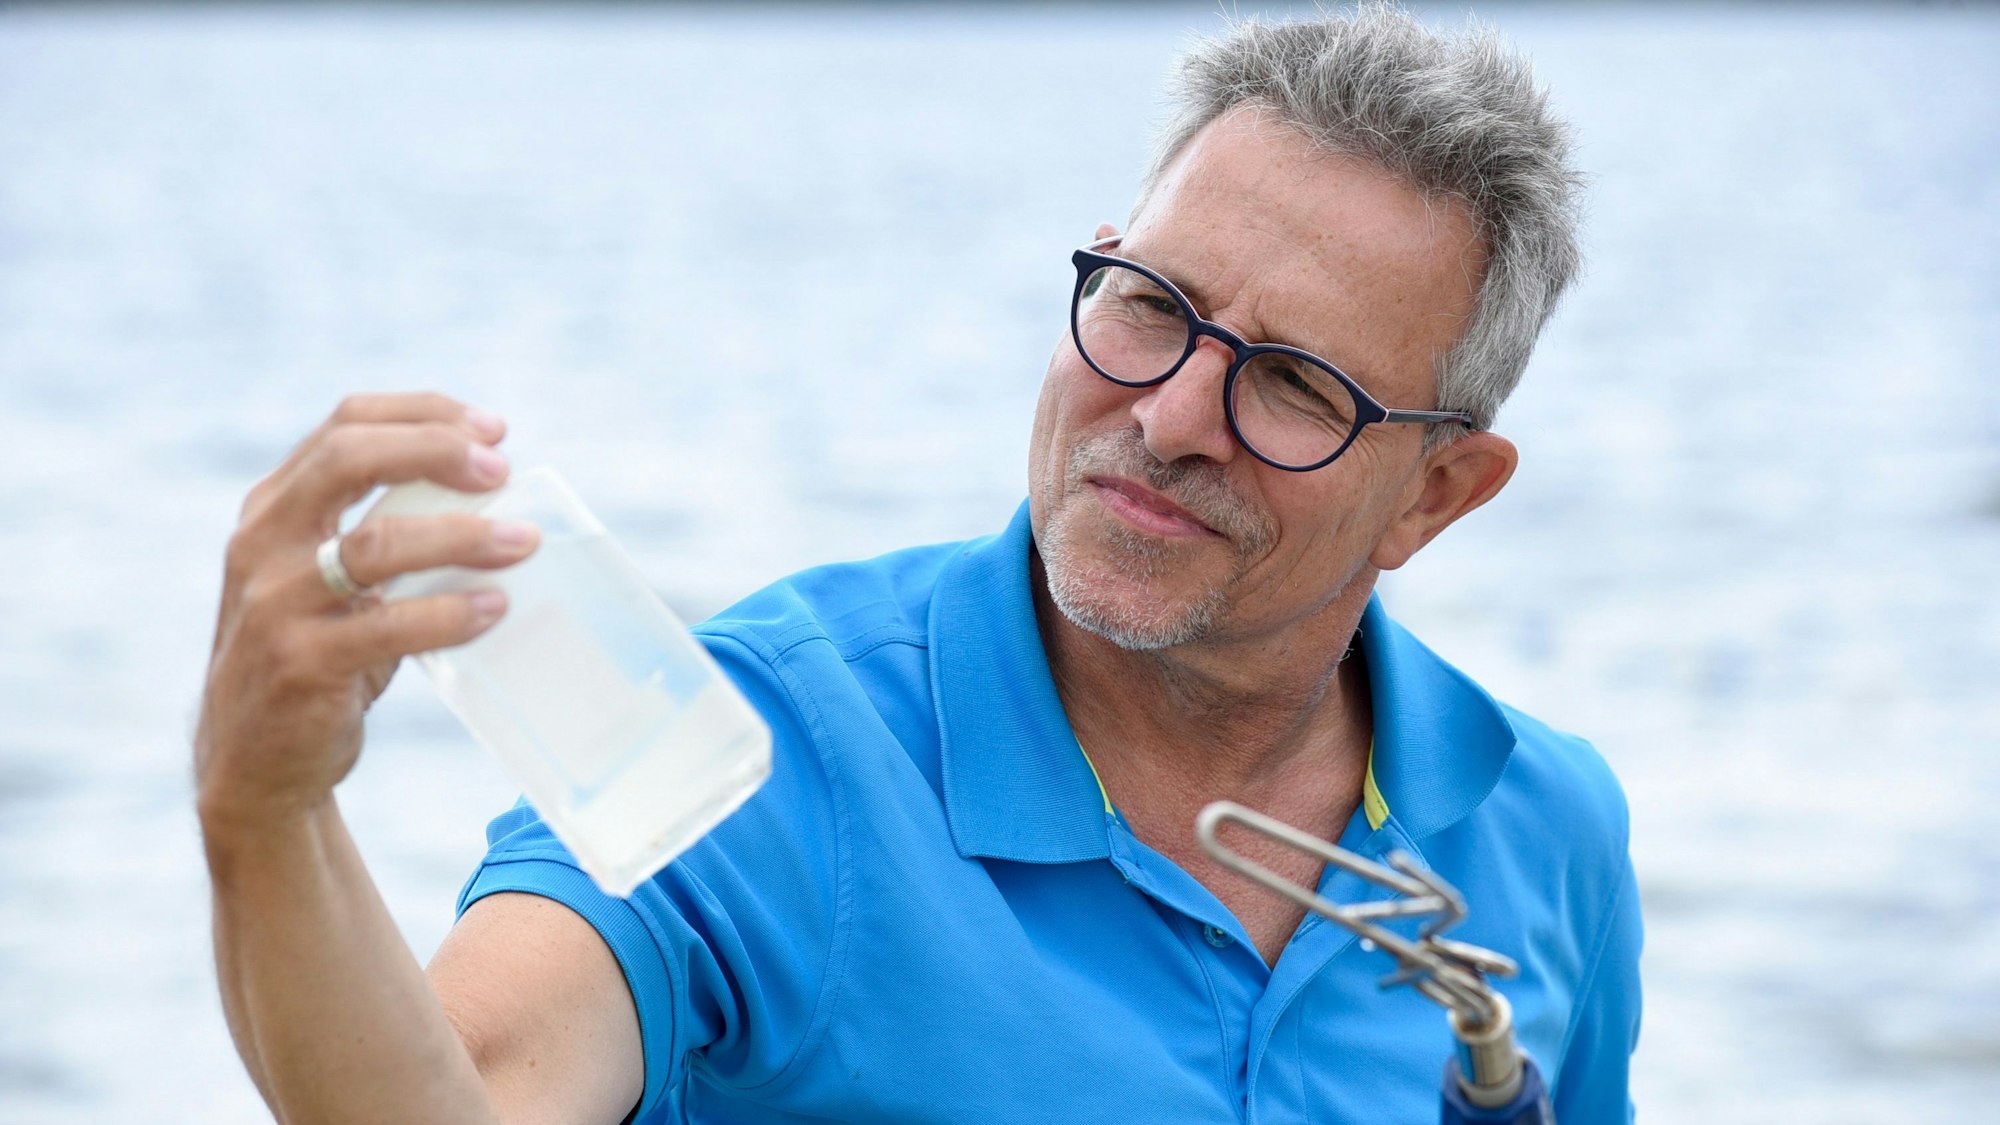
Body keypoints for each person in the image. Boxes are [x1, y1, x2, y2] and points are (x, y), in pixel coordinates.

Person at [194, 7, 1641, 1123]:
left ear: (1434, 496)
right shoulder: (767, 747)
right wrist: (264, 812)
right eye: (1151, 305)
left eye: (1294, 386)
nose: (1168, 417)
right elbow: (458, 1093)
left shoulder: (1548, 825)